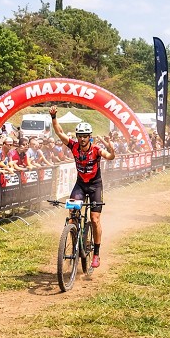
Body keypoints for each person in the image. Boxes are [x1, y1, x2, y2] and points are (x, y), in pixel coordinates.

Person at [50, 105, 115, 269]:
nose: (82, 139)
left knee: (94, 219)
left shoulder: (96, 150)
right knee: (72, 215)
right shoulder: (74, 146)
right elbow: (59, 132)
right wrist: (53, 117)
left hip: (95, 186)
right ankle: (74, 237)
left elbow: (110, 157)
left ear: (90, 137)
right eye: (80, 136)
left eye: (85, 136)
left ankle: (96, 254)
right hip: (80, 185)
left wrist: (111, 148)